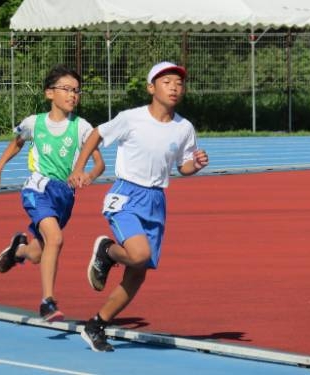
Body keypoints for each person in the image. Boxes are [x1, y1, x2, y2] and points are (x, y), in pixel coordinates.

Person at [68, 61, 209, 352]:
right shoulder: (131, 118)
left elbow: (182, 166)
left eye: (179, 83)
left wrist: (194, 165)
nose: (174, 87)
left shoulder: (184, 128)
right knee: (139, 253)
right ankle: (107, 250)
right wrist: (79, 169)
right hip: (128, 194)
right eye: (167, 81)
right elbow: (96, 134)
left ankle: (97, 323)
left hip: (156, 200)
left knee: (138, 271)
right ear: (151, 88)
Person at [0, 65, 105, 322]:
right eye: (66, 89)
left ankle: (19, 250)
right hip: (38, 188)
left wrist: (87, 175)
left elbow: (99, 163)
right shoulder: (34, 123)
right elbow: (16, 143)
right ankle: (47, 302)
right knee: (56, 239)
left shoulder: (82, 127)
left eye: (76, 91)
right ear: (49, 93)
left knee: (38, 254)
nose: (73, 95)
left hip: (65, 196)